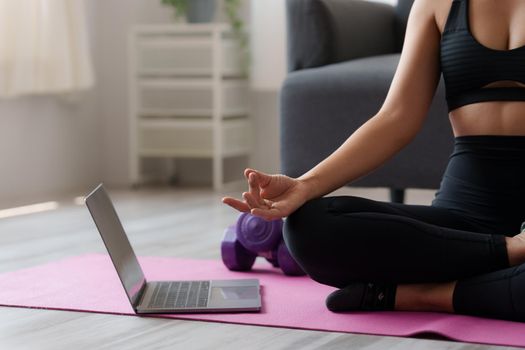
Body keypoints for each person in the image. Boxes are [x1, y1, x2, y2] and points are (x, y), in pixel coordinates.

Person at [223, 0, 525, 322]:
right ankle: (509, 257)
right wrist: (304, 185)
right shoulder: (436, 5)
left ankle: (425, 294)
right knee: (307, 228)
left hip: (466, 244)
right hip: (464, 219)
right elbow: (395, 119)